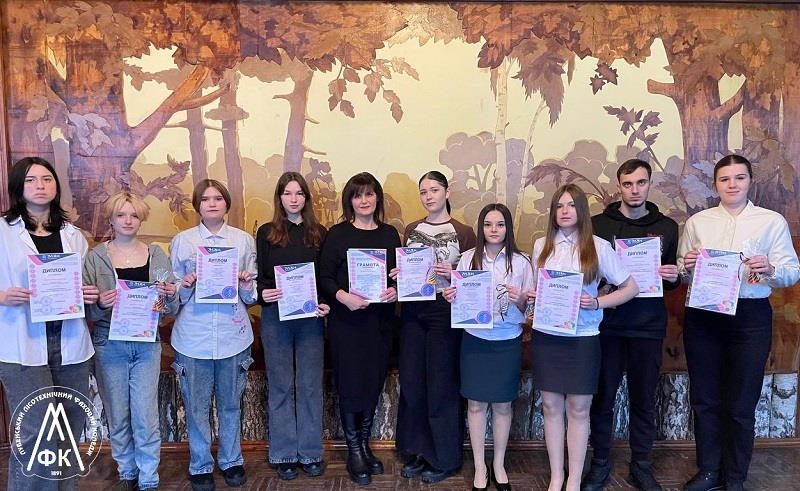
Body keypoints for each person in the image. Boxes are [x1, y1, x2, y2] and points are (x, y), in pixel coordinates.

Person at [677, 155, 800, 491]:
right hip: (704, 316)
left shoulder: (771, 222)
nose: (732, 184)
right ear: (715, 184)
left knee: (742, 402)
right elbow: (683, 273)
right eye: (725, 179)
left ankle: (735, 477)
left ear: (750, 181)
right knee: (705, 398)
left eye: (739, 177)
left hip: (750, 317)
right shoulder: (698, 222)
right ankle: (708, 471)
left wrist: (770, 268)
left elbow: (792, 272)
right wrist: (688, 266)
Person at [530, 184, 638, 491]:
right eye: (559, 206)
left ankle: (574, 480)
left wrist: (597, 302)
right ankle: (557, 476)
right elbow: (538, 290)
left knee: (578, 408)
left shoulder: (598, 247)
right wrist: (534, 298)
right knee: (550, 406)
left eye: (571, 205)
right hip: (547, 336)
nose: (564, 211)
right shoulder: (541, 246)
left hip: (582, 338)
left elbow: (631, 287)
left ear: (581, 211)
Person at [0, 157, 99, 490]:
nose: (40, 186)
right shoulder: (3, 231)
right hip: (22, 342)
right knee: (36, 429)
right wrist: (2, 296)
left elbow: (80, 284)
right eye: (31, 180)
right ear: (18, 187)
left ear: (56, 186)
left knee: (69, 428)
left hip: (69, 341)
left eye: (46, 179)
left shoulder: (73, 235)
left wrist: (87, 293)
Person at [583, 159, 679, 491]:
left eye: (641, 183)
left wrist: (673, 276)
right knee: (603, 397)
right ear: (619, 186)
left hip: (648, 325)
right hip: (607, 324)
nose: (634, 190)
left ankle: (641, 465)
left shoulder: (667, 227)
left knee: (643, 398)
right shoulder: (597, 225)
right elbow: (589, 274)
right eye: (628, 184)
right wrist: (600, 287)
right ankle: (599, 463)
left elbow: (670, 279)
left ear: (650, 184)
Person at [83, 192, 178, 491]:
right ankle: (127, 472)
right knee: (118, 414)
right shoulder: (95, 257)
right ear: (111, 220)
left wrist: (168, 296)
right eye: (121, 215)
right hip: (108, 343)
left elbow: (169, 308)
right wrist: (101, 302)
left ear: (141, 219)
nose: (128, 220)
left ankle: (148, 478)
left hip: (146, 343)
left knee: (145, 416)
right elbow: (86, 309)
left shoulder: (156, 255)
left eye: (134, 215)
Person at [170, 179, 258, 491]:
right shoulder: (183, 241)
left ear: (226, 203)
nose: (212, 204)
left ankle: (232, 461)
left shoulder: (243, 241)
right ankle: (200, 464)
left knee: (231, 404)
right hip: (193, 337)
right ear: (198, 205)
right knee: (196, 408)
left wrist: (246, 283)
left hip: (233, 335)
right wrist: (185, 285)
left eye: (218, 198)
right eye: (205, 199)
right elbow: (170, 295)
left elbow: (251, 296)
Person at [443, 203, 533, 491]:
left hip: (507, 340)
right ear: (481, 228)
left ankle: (499, 464)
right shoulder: (468, 258)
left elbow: (531, 309)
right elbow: (460, 301)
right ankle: (480, 466)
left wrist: (521, 299)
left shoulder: (522, 262)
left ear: (508, 228)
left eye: (500, 224)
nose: (494, 230)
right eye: (488, 224)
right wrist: (452, 296)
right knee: (476, 404)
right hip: (475, 341)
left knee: (503, 404)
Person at [318, 172, 401, 485]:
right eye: (357, 195)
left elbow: (397, 275)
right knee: (351, 384)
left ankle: (364, 444)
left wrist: (395, 290)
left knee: (372, 383)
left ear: (377, 197)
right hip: (347, 324)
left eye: (369, 194)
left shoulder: (390, 234)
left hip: (380, 324)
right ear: (349, 201)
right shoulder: (337, 234)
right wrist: (344, 297)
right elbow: (324, 277)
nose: (364, 200)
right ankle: (353, 449)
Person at [393, 171, 476, 484]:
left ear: (447, 192)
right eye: (423, 192)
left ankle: (444, 456)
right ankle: (416, 450)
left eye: (434, 190)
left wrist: (454, 273)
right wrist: (399, 274)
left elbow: (475, 278)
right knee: (413, 380)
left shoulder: (464, 232)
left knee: (442, 382)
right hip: (413, 310)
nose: (428, 196)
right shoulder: (413, 229)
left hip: (445, 310)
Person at [256, 172, 330, 480]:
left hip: (310, 319)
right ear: (280, 198)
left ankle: (311, 452)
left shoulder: (319, 233)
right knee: (281, 385)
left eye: (299, 193)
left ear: (306, 198)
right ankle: (284, 453)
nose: (294, 199)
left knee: (310, 385)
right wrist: (263, 292)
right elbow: (261, 277)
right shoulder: (266, 232)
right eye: (287, 193)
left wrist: (325, 302)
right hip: (276, 318)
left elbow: (325, 277)